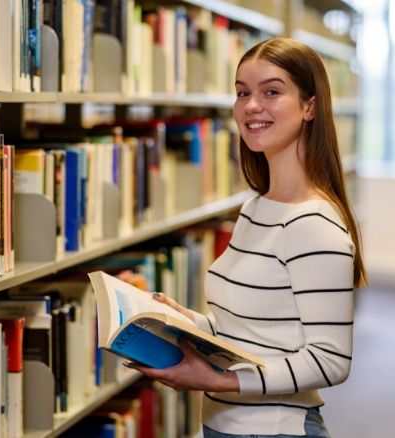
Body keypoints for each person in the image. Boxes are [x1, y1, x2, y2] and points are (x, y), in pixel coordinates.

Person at [130, 37, 367, 437]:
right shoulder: (257, 207)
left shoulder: (312, 223)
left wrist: (219, 380)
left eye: (271, 92)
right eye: (242, 93)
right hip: (225, 425)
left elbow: (331, 361)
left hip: (274, 429)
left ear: (309, 106)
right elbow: (252, 333)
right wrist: (188, 322)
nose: (251, 106)